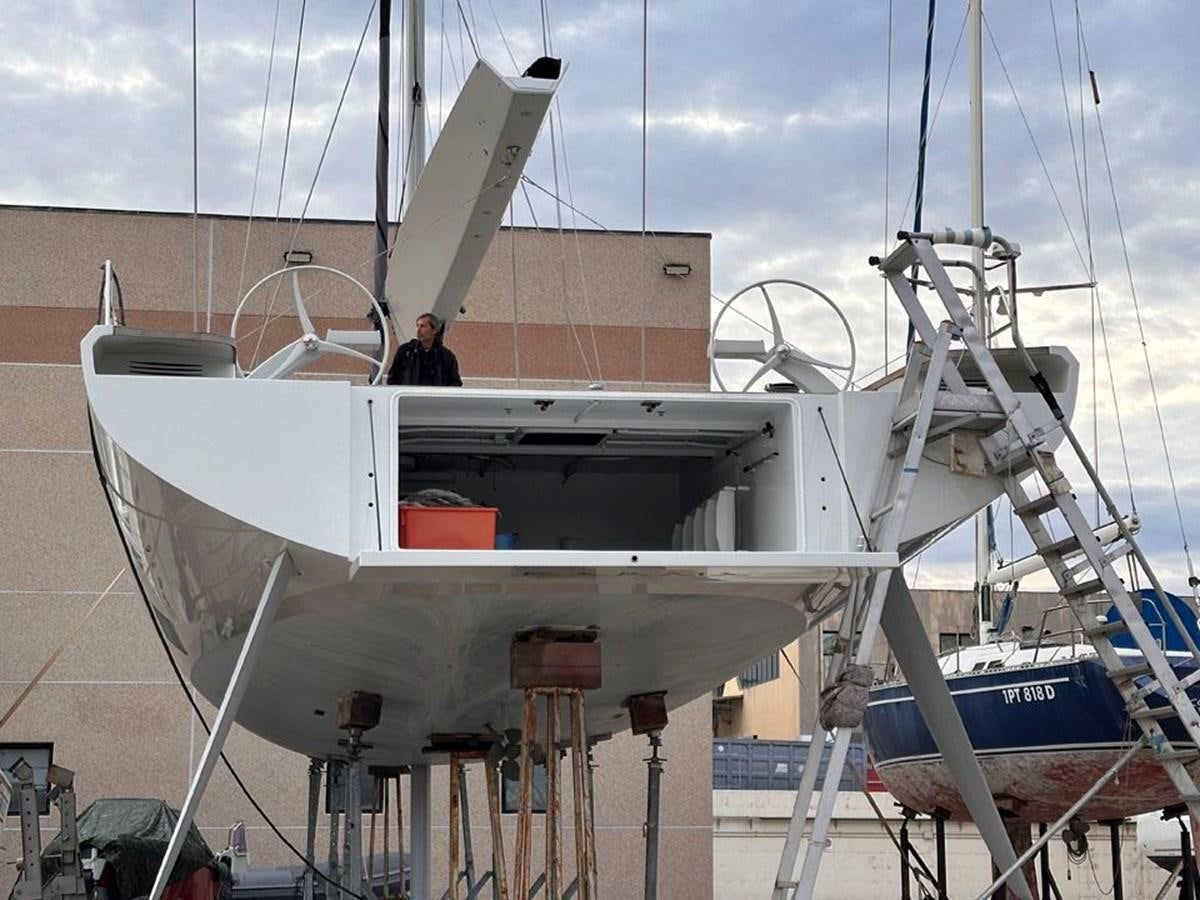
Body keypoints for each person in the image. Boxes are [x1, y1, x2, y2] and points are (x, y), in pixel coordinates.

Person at [386, 312, 463, 386]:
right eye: (417, 326)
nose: (418, 330)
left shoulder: (446, 356)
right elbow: (392, 378)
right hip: (410, 397)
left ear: (434, 330)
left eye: (423, 326)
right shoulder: (405, 352)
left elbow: (455, 382)